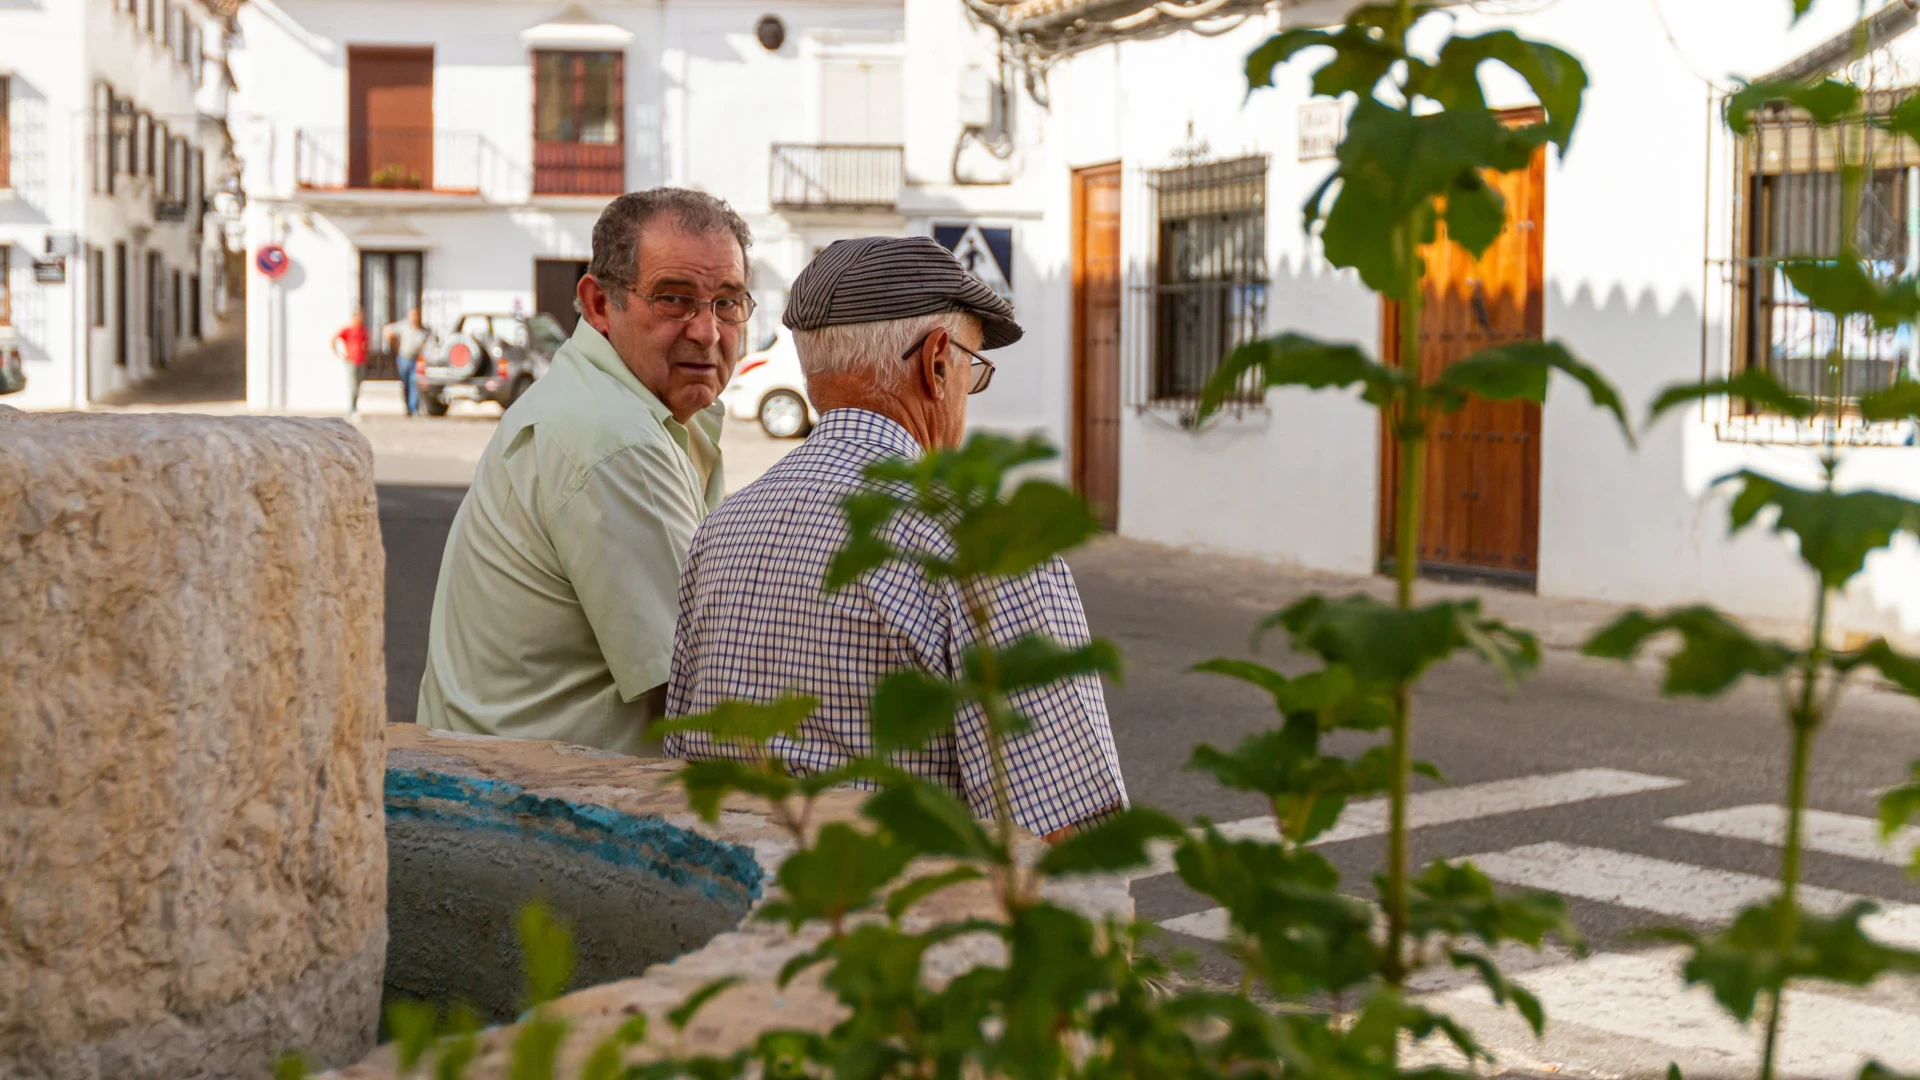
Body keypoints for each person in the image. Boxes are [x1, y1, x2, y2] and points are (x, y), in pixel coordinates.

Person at [665, 236, 1128, 841]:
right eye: (973, 369)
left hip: (748, 920)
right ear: (937, 363)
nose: (968, 391)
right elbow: (1066, 832)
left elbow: (684, 764)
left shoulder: (723, 530)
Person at [417, 188, 751, 754]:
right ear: (599, 306)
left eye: (728, 302)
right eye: (674, 299)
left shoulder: (604, 401)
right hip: (534, 814)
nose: (708, 331)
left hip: (488, 782)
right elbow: (706, 691)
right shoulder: (615, 438)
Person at [385, 307, 431, 417]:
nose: (414, 318)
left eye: (416, 315)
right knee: (405, 384)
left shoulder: (423, 331)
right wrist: (393, 344)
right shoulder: (403, 327)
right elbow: (388, 330)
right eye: (412, 315)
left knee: (414, 382)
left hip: (415, 359)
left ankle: (414, 408)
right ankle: (407, 407)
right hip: (403, 358)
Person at [331, 310, 369, 420]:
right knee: (353, 384)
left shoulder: (362, 330)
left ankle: (355, 405)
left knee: (358, 383)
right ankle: (352, 408)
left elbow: (365, 344)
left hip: (361, 360)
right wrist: (340, 354)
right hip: (351, 361)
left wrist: (365, 354)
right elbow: (334, 339)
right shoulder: (347, 330)